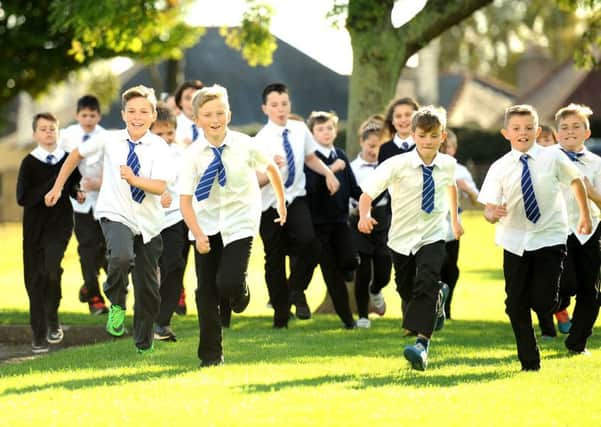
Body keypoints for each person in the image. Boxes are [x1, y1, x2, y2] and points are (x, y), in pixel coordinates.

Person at [45, 85, 174, 354]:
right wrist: (58, 187)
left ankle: (143, 342)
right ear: (124, 114)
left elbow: (161, 186)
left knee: (149, 288)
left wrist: (135, 179)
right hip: (115, 213)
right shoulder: (109, 140)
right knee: (120, 257)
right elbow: (75, 156)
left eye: (143, 111)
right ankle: (116, 302)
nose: (137, 116)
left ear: (152, 115)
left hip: (149, 223)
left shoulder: (160, 147)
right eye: (131, 111)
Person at [179, 84, 287, 367]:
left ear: (229, 114)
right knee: (206, 291)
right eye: (207, 115)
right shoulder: (191, 155)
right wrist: (199, 235)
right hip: (205, 224)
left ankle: (240, 293)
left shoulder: (245, 144)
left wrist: (281, 202)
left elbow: (272, 169)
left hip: (240, 221)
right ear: (197, 119)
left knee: (228, 283)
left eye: (220, 113)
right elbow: (186, 201)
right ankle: (211, 356)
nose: (215, 120)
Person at [478, 104, 591, 371]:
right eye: (516, 128)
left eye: (529, 128)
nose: (523, 133)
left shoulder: (553, 158)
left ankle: (555, 307)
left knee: (544, 301)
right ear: (506, 133)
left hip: (549, 237)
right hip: (514, 240)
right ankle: (530, 361)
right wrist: (492, 212)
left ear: (538, 130)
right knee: (515, 305)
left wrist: (584, 216)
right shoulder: (499, 167)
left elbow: (576, 182)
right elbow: (487, 209)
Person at [358, 106, 462, 371]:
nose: (428, 141)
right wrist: (364, 216)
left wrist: (455, 219)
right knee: (406, 290)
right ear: (413, 135)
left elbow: (450, 187)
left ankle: (421, 345)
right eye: (423, 135)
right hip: (401, 239)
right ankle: (437, 297)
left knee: (426, 282)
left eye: (434, 136)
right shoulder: (396, 165)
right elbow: (367, 193)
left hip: (433, 235)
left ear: (443, 136)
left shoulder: (448, 165)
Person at [254, 82, 340, 328]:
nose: (280, 109)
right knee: (275, 258)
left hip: (296, 198)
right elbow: (255, 182)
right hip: (270, 204)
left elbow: (311, 157)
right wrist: (271, 168)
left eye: (284, 104)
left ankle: (294, 289)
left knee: (310, 244)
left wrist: (328, 174)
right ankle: (280, 315)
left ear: (289, 104)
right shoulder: (260, 140)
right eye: (274, 105)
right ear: (265, 108)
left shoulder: (300, 129)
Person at [17, 112, 83, 353]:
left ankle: (52, 318)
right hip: (34, 229)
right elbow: (23, 197)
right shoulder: (29, 162)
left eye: (52, 128)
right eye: (43, 129)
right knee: (35, 280)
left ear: (58, 132)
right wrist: (55, 183)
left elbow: (74, 183)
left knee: (51, 270)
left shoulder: (68, 159)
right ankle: (39, 333)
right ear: (35, 134)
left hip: (60, 224)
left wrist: (77, 191)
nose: (48, 132)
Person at [294, 110, 361, 329]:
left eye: (329, 128)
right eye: (320, 129)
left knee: (350, 260)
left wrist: (364, 202)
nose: (326, 132)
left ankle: (348, 267)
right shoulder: (311, 159)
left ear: (336, 130)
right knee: (332, 276)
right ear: (312, 134)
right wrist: (329, 171)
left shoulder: (340, 154)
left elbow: (352, 187)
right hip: (318, 225)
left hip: (341, 222)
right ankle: (348, 321)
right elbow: (311, 188)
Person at [553, 103, 601, 355]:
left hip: (590, 231)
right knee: (564, 283)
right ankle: (557, 305)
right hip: (557, 231)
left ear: (587, 133)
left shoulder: (596, 164)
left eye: (576, 126)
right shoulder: (547, 159)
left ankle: (577, 342)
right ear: (557, 134)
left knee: (591, 292)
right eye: (564, 127)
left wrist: (593, 194)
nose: (570, 131)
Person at [369, 97, 420, 316]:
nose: (403, 120)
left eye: (408, 115)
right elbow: (381, 183)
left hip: (424, 213)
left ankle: (417, 318)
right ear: (392, 120)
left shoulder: (425, 144)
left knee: (423, 267)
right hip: (396, 215)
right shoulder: (386, 149)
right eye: (398, 116)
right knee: (403, 268)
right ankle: (409, 314)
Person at [58, 94, 109, 315]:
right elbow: (62, 164)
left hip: (103, 201)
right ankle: (95, 298)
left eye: (92, 115)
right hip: (78, 203)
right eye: (84, 115)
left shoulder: (107, 138)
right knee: (87, 247)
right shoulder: (67, 136)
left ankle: (88, 285)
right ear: (77, 115)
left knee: (106, 249)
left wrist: (99, 184)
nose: (88, 119)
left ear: (99, 116)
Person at [149, 102, 193, 341]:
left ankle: (162, 322)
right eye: (159, 133)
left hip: (175, 217)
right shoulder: (140, 153)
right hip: (146, 219)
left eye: (170, 133)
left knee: (174, 264)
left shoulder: (182, 153)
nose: (166, 138)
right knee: (146, 269)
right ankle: (144, 314)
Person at [349, 117, 392, 328]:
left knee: (384, 265)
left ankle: (377, 290)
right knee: (363, 269)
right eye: (371, 146)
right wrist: (355, 210)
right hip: (358, 221)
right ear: (362, 143)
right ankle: (363, 316)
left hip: (383, 220)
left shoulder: (388, 167)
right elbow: (348, 193)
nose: (374, 151)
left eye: (379, 147)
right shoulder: (352, 168)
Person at [438, 130, 479, 320]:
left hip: (452, 226)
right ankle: (434, 307)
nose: (446, 151)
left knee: (451, 268)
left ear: (455, 149)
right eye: (442, 147)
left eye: (449, 148)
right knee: (435, 266)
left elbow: (478, 201)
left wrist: (467, 189)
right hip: (432, 226)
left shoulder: (460, 171)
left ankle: (446, 308)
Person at [174, 80, 204, 146]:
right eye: (188, 98)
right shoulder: (172, 125)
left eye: (196, 98)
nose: (192, 103)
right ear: (180, 102)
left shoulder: (210, 125)